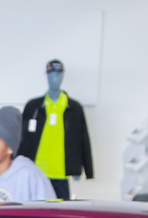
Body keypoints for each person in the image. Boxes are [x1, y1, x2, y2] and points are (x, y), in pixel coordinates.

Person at [19, 58, 94, 200]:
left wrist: (84, 169)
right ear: (46, 76)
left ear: (63, 76)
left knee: (60, 209)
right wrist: (15, 165)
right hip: (36, 170)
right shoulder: (33, 106)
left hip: (61, 172)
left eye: (58, 74)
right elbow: (21, 137)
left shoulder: (74, 107)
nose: (55, 78)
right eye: (51, 74)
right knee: (33, 208)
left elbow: (83, 138)